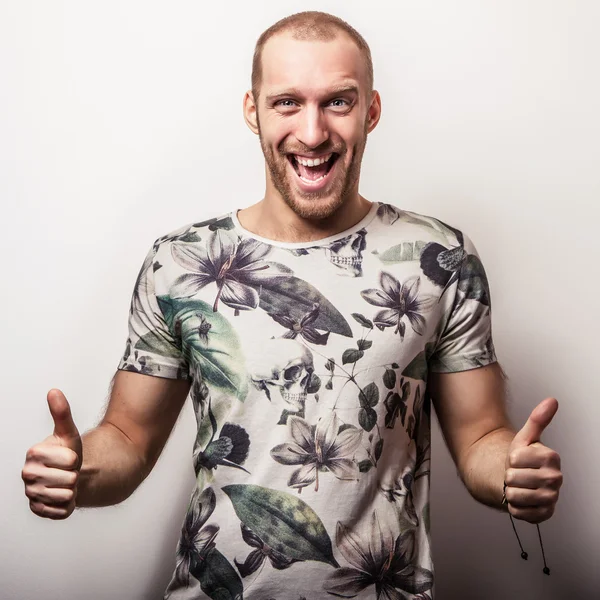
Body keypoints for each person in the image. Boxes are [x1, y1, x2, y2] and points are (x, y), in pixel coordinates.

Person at [22, 11, 563, 600]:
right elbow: (127, 438)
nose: (312, 132)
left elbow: (481, 435)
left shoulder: (439, 257)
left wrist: (511, 472)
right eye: (286, 103)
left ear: (371, 111)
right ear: (252, 110)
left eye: (338, 101)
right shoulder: (179, 262)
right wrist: (78, 472)